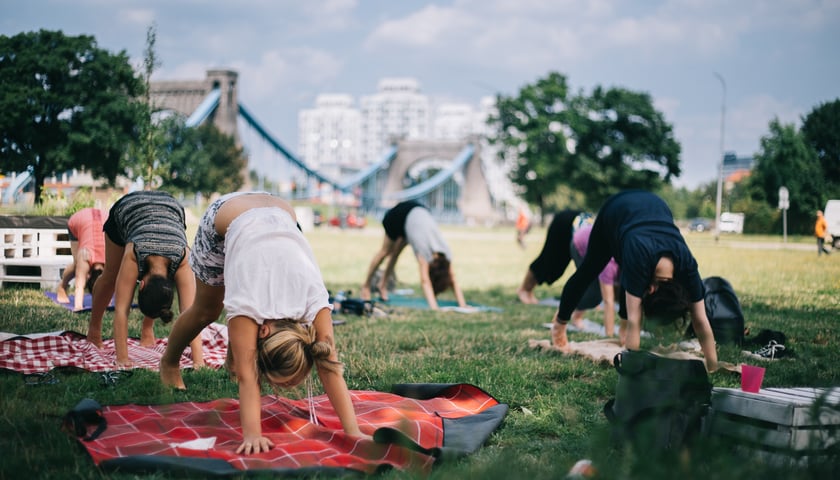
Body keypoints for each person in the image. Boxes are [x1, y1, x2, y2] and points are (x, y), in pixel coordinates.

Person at [160, 192, 367, 454]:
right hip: (227, 214)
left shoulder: (314, 303)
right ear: (264, 330)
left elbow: (330, 367)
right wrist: (252, 435)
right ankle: (168, 362)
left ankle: (235, 351)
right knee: (206, 311)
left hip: (279, 209)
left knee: (240, 336)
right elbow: (248, 377)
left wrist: (353, 432)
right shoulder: (248, 304)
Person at [551, 191, 719, 372]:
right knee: (589, 270)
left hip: (654, 205)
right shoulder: (638, 259)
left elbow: (701, 320)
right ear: (652, 289)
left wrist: (712, 367)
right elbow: (634, 321)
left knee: (631, 283)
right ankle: (559, 324)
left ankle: (621, 334)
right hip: (614, 211)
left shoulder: (688, 266)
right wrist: (631, 371)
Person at [88, 191, 201, 368]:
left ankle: (147, 330)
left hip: (170, 208)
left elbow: (191, 312)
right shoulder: (134, 253)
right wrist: (122, 358)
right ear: (141, 284)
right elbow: (121, 310)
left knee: (155, 295)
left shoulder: (183, 256)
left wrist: (198, 360)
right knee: (110, 277)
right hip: (127, 209)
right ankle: (93, 331)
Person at [360, 200, 468, 310]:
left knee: (396, 253)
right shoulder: (424, 251)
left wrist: (463, 305)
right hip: (399, 214)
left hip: (417, 216)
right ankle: (366, 286)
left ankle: (382, 285)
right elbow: (425, 280)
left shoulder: (446, 253)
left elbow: (452, 278)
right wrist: (434, 307)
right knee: (386, 252)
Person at [516, 210, 588, 305]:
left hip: (574, 223)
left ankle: (527, 291)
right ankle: (524, 290)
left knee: (557, 267)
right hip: (566, 222)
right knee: (548, 260)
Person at [56, 207, 108, 311]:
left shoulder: (111, 258)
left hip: (104, 217)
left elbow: (111, 283)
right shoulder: (85, 256)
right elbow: (79, 285)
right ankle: (61, 287)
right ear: (88, 276)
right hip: (79, 220)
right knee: (77, 265)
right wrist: (78, 306)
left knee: (80, 266)